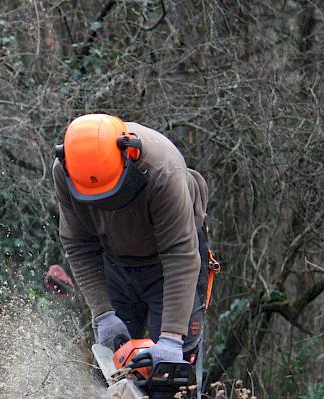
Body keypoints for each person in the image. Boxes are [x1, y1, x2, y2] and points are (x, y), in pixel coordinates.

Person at [52, 113, 209, 368]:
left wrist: (170, 338)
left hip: (171, 264)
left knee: (172, 373)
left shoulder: (161, 170)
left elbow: (180, 252)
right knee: (113, 370)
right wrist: (103, 312)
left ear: (130, 154)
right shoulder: (66, 170)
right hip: (114, 262)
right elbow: (78, 243)